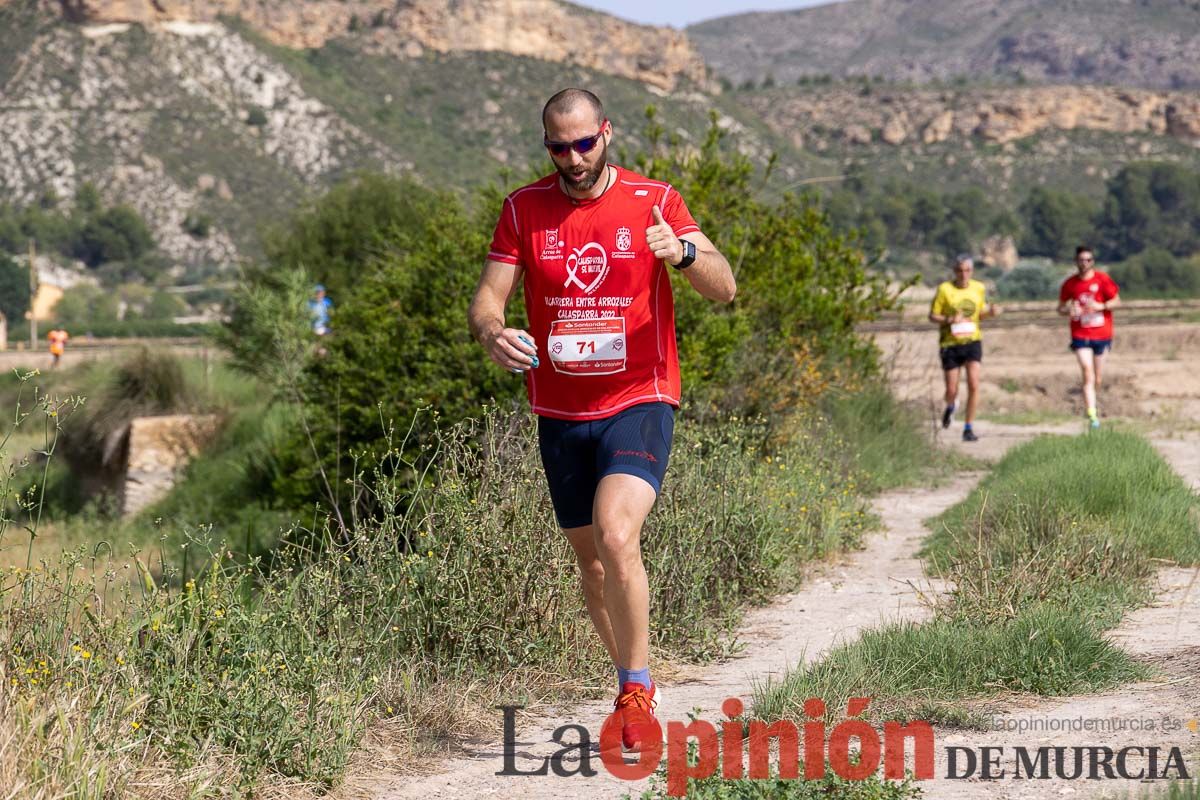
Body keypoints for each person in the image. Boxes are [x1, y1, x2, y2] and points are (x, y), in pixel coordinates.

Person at [468, 88, 736, 751]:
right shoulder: (523, 209)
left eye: (584, 142)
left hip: (639, 398)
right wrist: (492, 333)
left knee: (618, 536)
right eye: (558, 146)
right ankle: (631, 674)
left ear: (606, 133)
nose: (573, 157)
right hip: (560, 409)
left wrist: (685, 255)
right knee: (591, 567)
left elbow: (725, 287)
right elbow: (487, 301)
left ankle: (635, 692)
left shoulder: (655, 201)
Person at [928, 254, 1000, 442]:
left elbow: (979, 314)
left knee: (974, 384)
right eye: (960, 270)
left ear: (972, 271)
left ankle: (968, 427)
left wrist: (990, 313)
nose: (963, 274)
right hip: (950, 343)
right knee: (951, 390)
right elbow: (933, 316)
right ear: (954, 271)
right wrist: (949, 319)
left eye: (967, 270)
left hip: (972, 341)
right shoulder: (945, 289)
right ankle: (951, 405)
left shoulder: (979, 288)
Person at [1057, 245, 1120, 429]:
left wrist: (1102, 306)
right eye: (1081, 260)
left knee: (1097, 378)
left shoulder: (1102, 280)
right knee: (1087, 371)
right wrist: (1069, 309)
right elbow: (1060, 307)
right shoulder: (1070, 284)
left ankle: (1092, 401)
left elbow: (1117, 300)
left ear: (1093, 262)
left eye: (1088, 260)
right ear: (1076, 261)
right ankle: (1092, 415)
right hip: (1080, 333)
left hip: (1102, 333)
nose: (1084, 263)